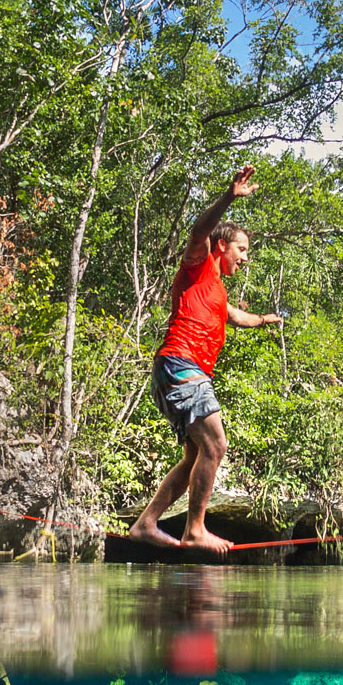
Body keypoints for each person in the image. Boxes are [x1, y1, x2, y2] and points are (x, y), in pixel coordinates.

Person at [128, 165, 284, 556]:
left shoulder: (215, 291)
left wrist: (265, 319)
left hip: (179, 371)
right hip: (181, 364)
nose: (245, 258)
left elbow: (236, 317)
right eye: (242, 249)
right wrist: (229, 196)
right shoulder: (198, 266)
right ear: (222, 246)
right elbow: (199, 232)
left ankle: (146, 524)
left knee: (197, 454)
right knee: (216, 445)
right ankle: (195, 529)